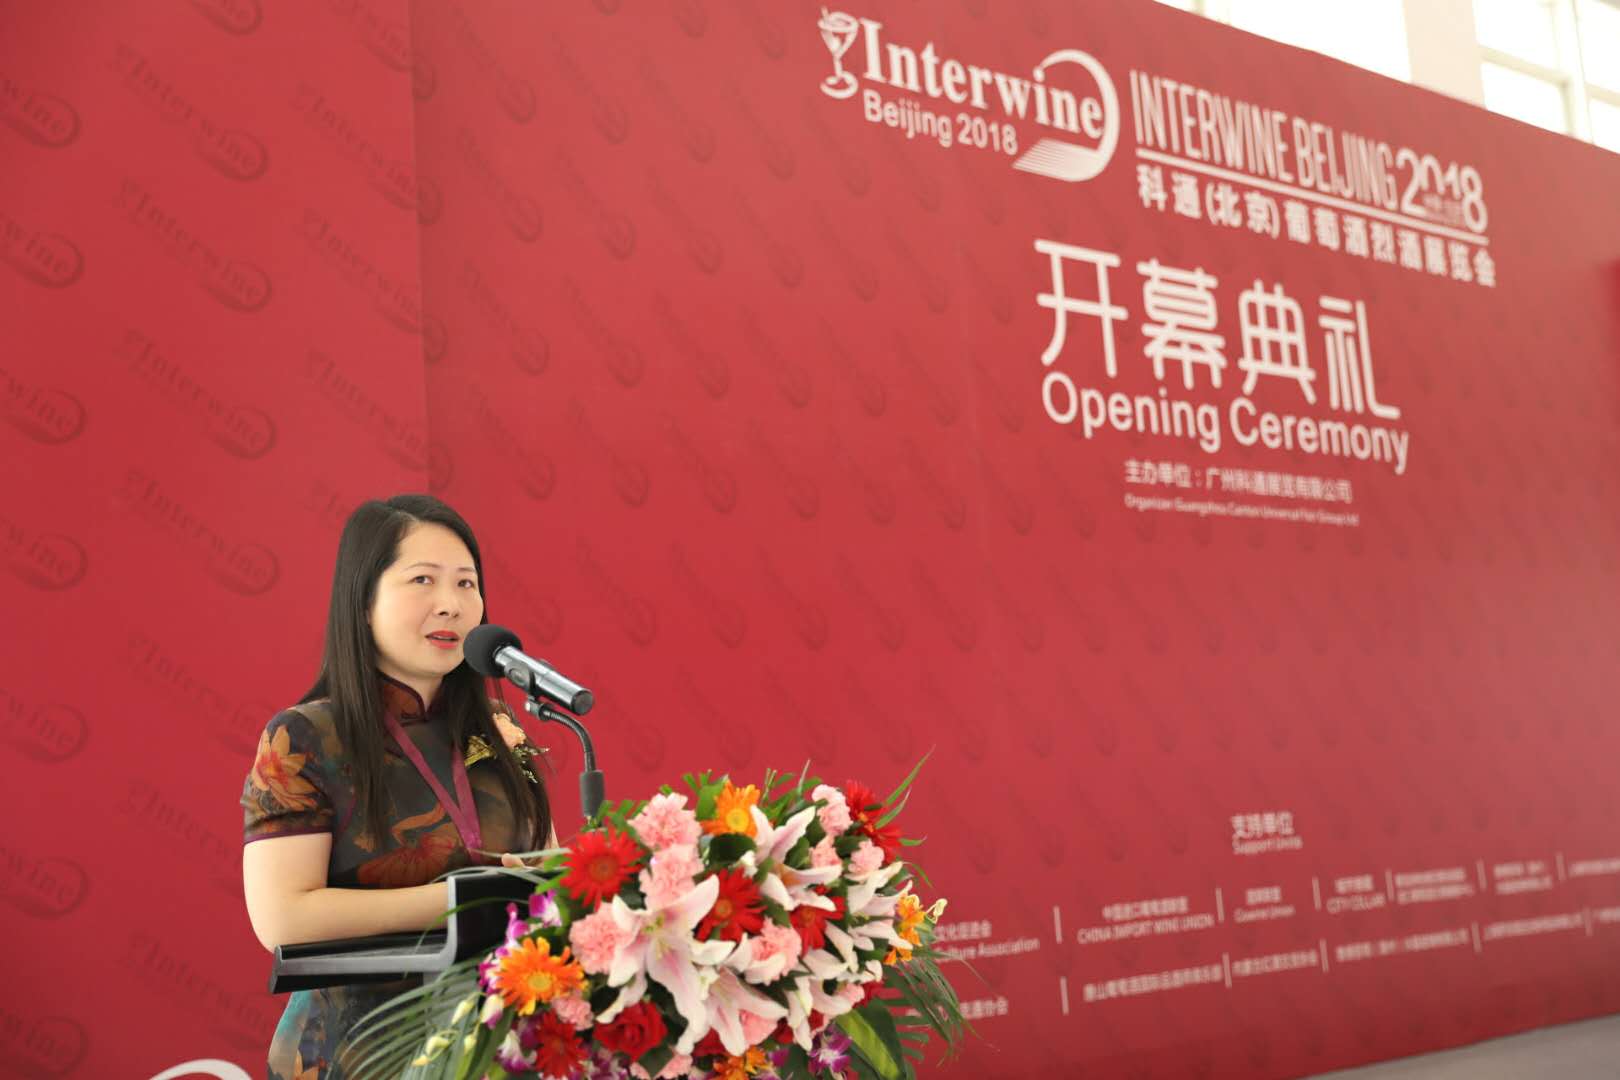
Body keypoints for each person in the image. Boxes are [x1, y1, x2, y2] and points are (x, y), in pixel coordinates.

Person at [240, 494, 555, 1080]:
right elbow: (281, 916)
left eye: (466, 583)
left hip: (500, 1048)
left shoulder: (502, 731)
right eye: (423, 580)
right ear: (364, 602)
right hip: (357, 1053)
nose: (451, 603)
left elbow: (543, 870)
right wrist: (466, 900)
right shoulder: (306, 736)